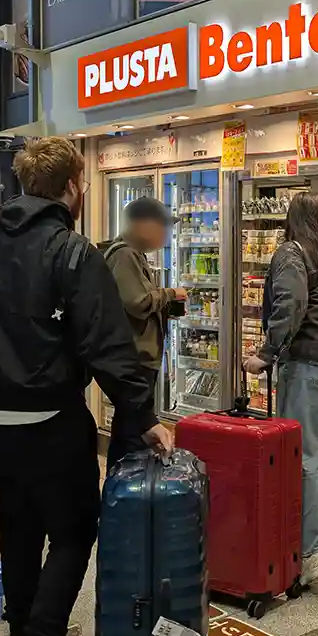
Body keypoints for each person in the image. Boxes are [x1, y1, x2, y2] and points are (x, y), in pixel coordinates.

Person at [0, 137, 172, 636]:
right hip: (49, 421)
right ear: (73, 187)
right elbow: (107, 345)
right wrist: (140, 414)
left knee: (16, 526)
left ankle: (19, 633)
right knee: (74, 530)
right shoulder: (72, 252)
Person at [244, 193, 318, 586]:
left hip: (312, 361)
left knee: (307, 455)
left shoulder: (291, 252)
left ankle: (312, 551)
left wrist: (267, 353)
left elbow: (291, 303)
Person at [100, 196, 187, 457]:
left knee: (132, 431)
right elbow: (136, 302)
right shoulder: (125, 255)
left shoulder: (131, 254)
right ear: (143, 226)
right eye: (163, 227)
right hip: (134, 360)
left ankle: (126, 489)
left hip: (138, 358)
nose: (165, 234)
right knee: (132, 434)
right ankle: (125, 491)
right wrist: (170, 294)